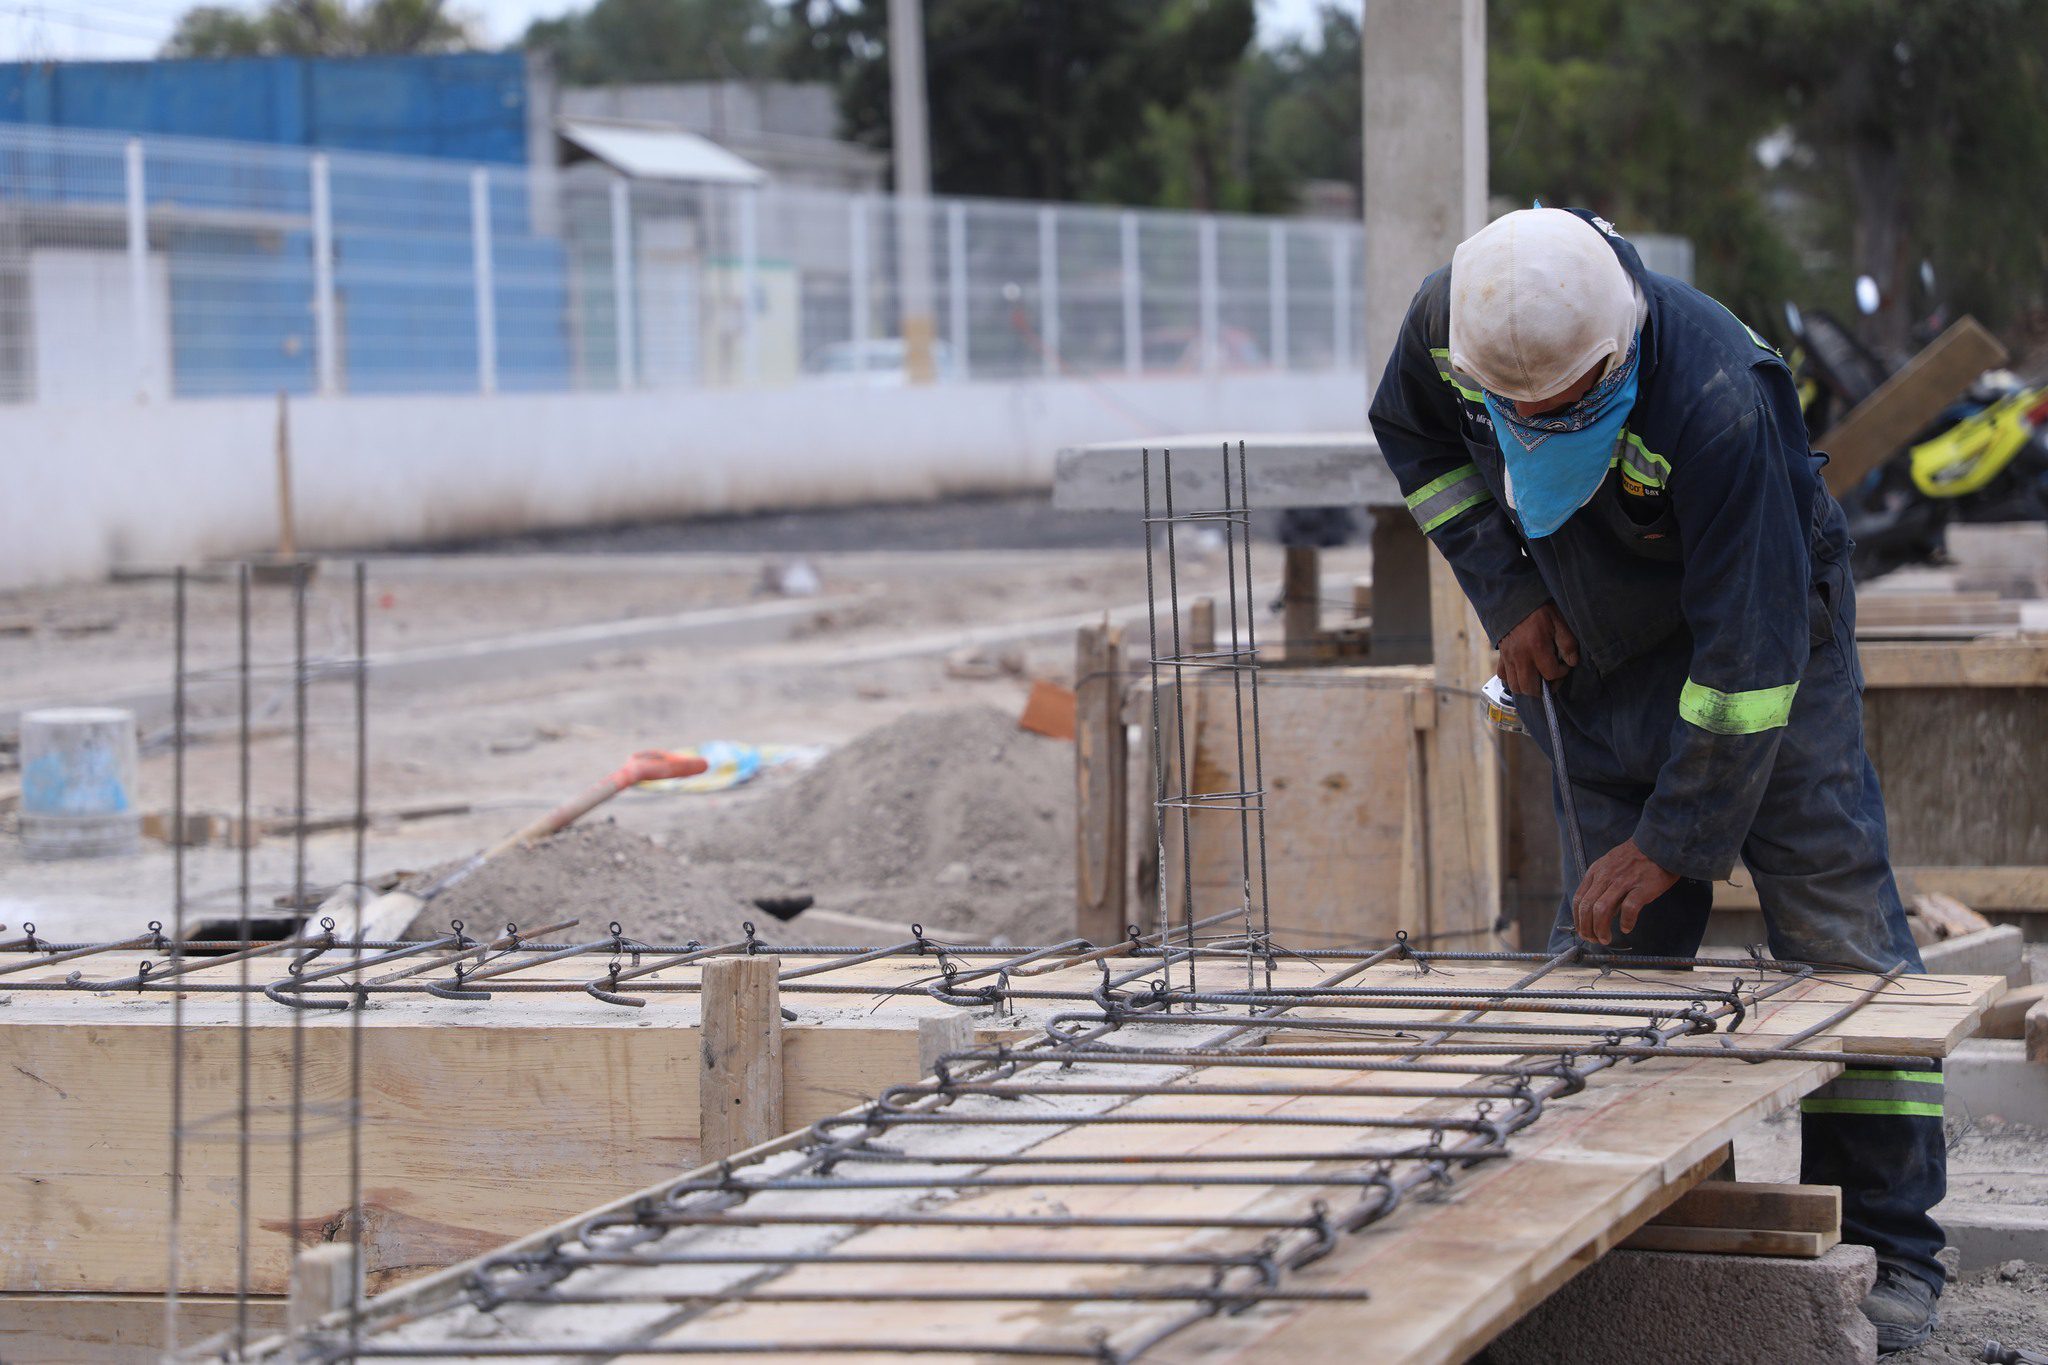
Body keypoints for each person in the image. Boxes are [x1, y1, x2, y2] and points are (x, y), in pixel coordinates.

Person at [1368, 207, 1946, 1352]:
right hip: (1591, 645)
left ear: (1614, 353)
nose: (1527, 425)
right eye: (1511, 414)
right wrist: (1507, 593)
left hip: (1767, 655)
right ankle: (1644, 1227)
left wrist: (1675, 837)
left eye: (1557, 412)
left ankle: (1892, 1250)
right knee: (1608, 961)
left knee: (1840, 946)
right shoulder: (1457, 322)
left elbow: (1746, 662)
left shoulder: (1719, 396)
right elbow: (1416, 443)